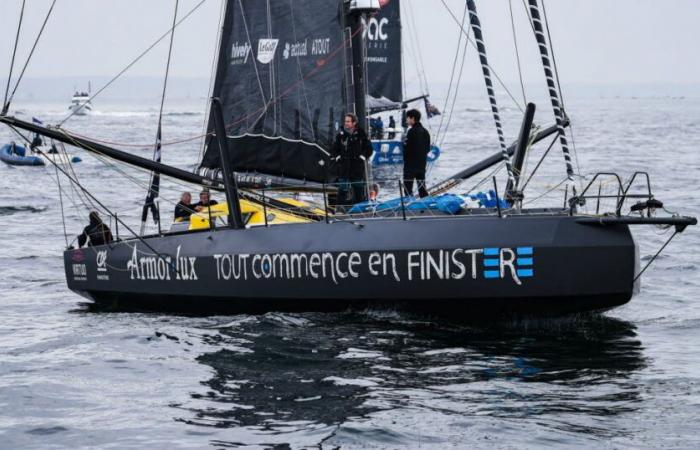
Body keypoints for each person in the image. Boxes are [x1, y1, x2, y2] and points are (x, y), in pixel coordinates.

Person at [330, 113, 373, 206]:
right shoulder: (341, 135)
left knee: (358, 189)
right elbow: (333, 149)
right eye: (345, 121)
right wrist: (338, 157)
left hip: (356, 167)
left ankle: (360, 210)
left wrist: (362, 157)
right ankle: (340, 209)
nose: (346, 123)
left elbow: (369, 149)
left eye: (348, 121)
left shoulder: (361, 134)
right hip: (344, 167)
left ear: (354, 123)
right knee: (342, 189)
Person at [403, 109, 431, 198]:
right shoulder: (426, 132)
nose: (406, 120)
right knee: (422, 189)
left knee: (408, 190)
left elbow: (407, 149)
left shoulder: (411, 131)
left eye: (407, 118)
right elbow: (427, 148)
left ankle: (409, 207)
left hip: (410, 166)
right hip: (422, 165)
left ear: (412, 118)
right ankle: (426, 205)